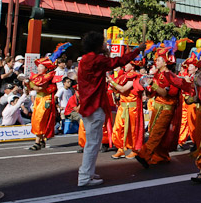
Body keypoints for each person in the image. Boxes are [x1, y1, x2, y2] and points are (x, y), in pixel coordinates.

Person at [77, 32, 144, 187]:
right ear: (98, 45)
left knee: (92, 142)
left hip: (88, 105)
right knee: (93, 143)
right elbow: (119, 61)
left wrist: (104, 52)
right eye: (104, 43)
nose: (107, 45)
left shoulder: (85, 60)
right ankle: (85, 177)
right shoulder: (97, 60)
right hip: (95, 106)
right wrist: (137, 50)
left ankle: (88, 173)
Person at [135, 46, 189, 168]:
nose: (156, 62)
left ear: (165, 61)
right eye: (156, 60)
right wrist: (146, 88)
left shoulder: (170, 75)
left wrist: (152, 86)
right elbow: (152, 94)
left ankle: (145, 154)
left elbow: (165, 93)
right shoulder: (156, 75)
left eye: (158, 60)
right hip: (157, 107)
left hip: (166, 108)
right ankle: (161, 156)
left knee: (157, 132)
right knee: (156, 132)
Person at [108, 59, 145, 159]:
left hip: (132, 107)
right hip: (122, 106)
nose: (125, 65)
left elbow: (123, 89)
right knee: (118, 128)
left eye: (127, 63)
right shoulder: (123, 76)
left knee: (133, 130)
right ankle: (121, 149)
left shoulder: (134, 77)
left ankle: (135, 149)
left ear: (133, 66)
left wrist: (111, 82)